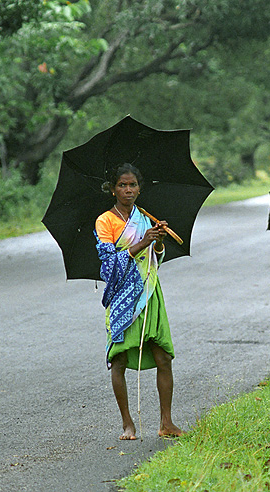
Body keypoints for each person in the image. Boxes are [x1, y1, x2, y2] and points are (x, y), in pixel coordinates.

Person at [94, 162, 184, 440]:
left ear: (139, 188)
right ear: (112, 189)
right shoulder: (104, 221)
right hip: (122, 298)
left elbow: (157, 257)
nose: (128, 190)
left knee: (163, 356)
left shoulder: (145, 218)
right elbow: (108, 268)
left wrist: (158, 240)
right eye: (122, 185)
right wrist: (143, 242)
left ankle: (166, 422)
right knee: (119, 359)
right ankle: (128, 424)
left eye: (132, 184)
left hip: (149, 292)